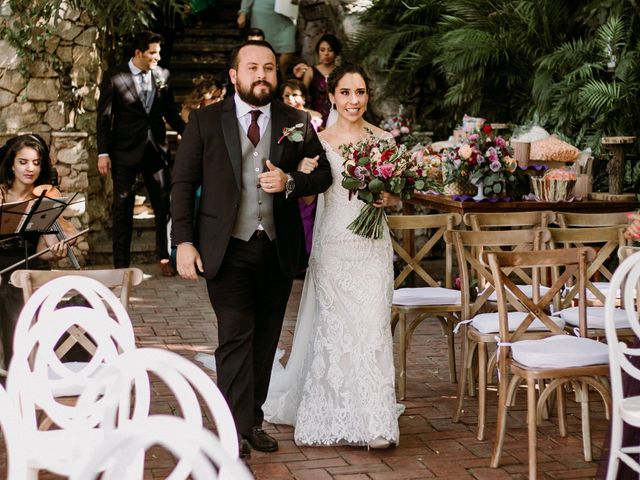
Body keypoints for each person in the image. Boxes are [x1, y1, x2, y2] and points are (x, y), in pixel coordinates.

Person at [170, 40, 332, 457]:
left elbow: (325, 173)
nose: (261, 75)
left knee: (265, 340)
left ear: (277, 76)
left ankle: (252, 421)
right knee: (235, 337)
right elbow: (183, 185)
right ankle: (232, 429)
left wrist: (292, 182)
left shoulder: (295, 120)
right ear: (234, 75)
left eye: (268, 68)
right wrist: (183, 242)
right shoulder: (206, 121)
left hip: (278, 249)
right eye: (252, 68)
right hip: (226, 248)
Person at [263, 64, 401, 448]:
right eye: (345, 93)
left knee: (372, 327)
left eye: (359, 93)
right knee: (336, 330)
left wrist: (390, 198)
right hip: (334, 247)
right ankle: (334, 409)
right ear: (332, 96)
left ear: (367, 96)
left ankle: (376, 422)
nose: (353, 101)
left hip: (373, 250)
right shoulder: (316, 141)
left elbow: (397, 196)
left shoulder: (384, 139)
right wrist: (300, 170)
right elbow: (307, 197)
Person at [96, 30, 185, 276]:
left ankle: (164, 257)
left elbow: (171, 113)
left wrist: (190, 132)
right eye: (152, 53)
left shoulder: (163, 75)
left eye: (159, 52)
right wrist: (103, 153)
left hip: (156, 151)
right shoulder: (115, 76)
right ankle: (121, 265)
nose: (158, 57)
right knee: (122, 207)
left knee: (163, 206)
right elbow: (104, 118)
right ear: (138, 53)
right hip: (124, 151)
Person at [0, 134, 71, 369]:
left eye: (36, 162)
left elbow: (43, 251)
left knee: (17, 295)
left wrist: (56, 251)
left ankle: (22, 374)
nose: (31, 168)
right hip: (2, 269)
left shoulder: (45, 196)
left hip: (30, 268)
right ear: (11, 163)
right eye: (23, 162)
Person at [293, 34, 342, 127]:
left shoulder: (341, 72)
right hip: (316, 118)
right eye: (322, 50)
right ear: (318, 52)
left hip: (339, 117)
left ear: (336, 52)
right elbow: (301, 94)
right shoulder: (311, 71)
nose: (326, 53)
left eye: (330, 50)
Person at [237, 0, 296, 74]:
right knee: (261, 48)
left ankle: (281, 78)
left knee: (288, 47)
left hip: (287, 14)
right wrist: (243, 12)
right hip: (263, 13)